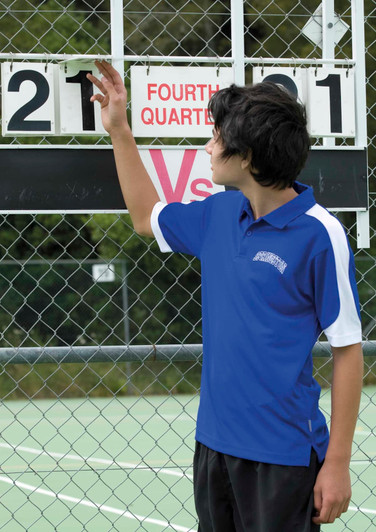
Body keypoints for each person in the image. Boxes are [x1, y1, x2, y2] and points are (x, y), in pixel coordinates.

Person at [88, 61, 364, 532]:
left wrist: (337, 462)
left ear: (250, 157)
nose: (209, 146)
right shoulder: (218, 214)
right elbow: (145, 216)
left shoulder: (322, 234)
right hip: (213, 447)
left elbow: (347, 349)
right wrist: (119, 129)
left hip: (284, 457)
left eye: (217, 137)